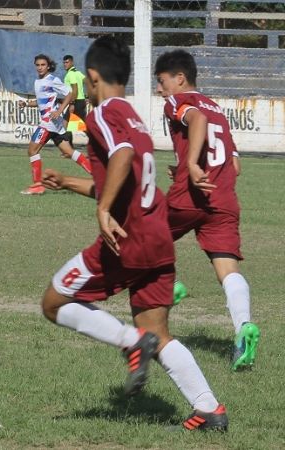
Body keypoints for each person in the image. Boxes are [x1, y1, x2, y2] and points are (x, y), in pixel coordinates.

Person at [40, 36, 227, 431]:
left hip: (128, 239)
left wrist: (104, 210)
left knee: (55, 302)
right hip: (158, 234)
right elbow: (122, 178)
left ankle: (130, 343)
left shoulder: (103, 113)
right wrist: (71, 184)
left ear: (91, 78)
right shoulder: (134, 115)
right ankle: (210, 409)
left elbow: (121, 156)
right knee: (157, 331)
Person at [155, 49, 259, 371]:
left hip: (192, 195)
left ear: (179, 78)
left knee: (141, 234)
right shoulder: (219, 110)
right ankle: (243, 329)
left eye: (162, 82)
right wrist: (189, 164)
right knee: (228, 271)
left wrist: (190, 166)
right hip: (224, 199)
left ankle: (168, 285)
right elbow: (236, 165)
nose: (160, 89)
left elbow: (196, 120)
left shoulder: (180, 102)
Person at [18, 54, 91, 196]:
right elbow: (41, 102)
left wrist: (59, 110)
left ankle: (38, 185)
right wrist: (26, 103)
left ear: (48, 66)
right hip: (54, 124)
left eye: (43, 65)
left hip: (48, 123)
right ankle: (95, 173)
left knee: (32, 151)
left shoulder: (52, 80)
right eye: (37, 65)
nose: (40, 67)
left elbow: (69, 94)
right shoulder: (38, 82)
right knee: (68, 152)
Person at [62, 54, 88, 127]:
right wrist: (87, 97)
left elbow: (75, 89)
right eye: (64, 62)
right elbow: (88, 83)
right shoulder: (78, 73)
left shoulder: (71, 74)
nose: (65, 64)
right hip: (81, 102)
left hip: (76, 102)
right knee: (81, 126)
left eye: (67, 62)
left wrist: (72, 104)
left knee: (65, 123)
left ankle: (65, 138)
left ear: (72, 63)